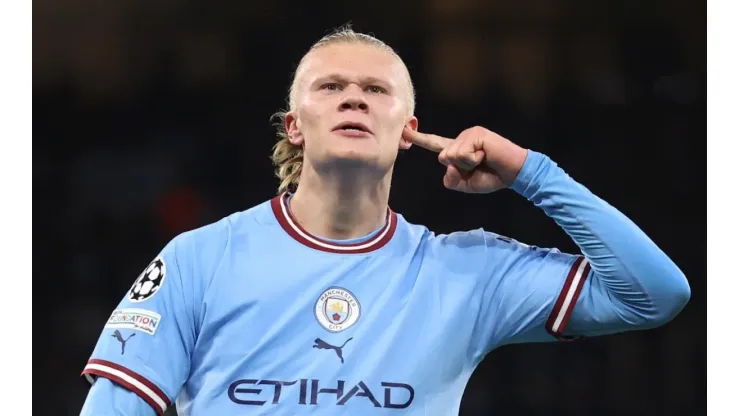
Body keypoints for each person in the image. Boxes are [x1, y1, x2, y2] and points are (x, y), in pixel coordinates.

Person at [79, 27, 691, 415]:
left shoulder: (466, 271)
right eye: (331, 87)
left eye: (376, 89)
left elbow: (654, 295)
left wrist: (531, 172)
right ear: (294, 125)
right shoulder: (200, 258)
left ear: (409, 131)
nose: (354, 98)